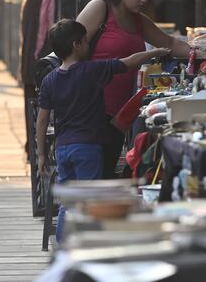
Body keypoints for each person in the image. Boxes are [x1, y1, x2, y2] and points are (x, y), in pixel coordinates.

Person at [36, 18, 169, 242]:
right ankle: (84, 248)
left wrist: (40, 154)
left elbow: (42, 120)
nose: (89, 46)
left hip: (63, 149)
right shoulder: (91, 70)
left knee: (68, 205)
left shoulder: (50, 80)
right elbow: (128, 62)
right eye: (86, 42)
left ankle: (62, 249)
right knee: (90, 203)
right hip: (87, 148)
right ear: (77, 45)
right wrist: (156, 52)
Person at [76, 0, 195, 178]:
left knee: (105, 173)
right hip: (90, 110)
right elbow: (70, 47)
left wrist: (202, 52)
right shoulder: (99, 8)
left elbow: (169, 44)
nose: (144, 0)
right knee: (90, 177)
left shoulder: (138, 21)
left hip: (119, 115)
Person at [20, 0, 58, 159]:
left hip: (31, 63)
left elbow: (24, 31)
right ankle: (46, 146)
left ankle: (32, 146)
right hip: (55, 62)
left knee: (32, 105)